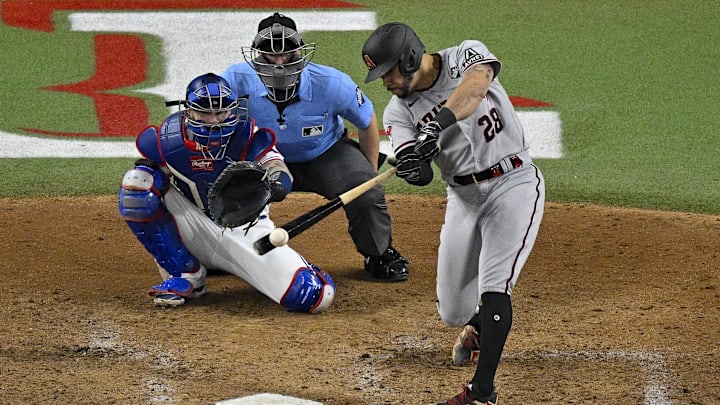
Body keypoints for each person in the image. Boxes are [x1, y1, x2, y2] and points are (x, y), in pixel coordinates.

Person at [362, 23, 545, 404]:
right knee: (453, 310)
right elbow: (422, 173)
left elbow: (476, 88)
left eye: (389, 73)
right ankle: (478, 325)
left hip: (513, 183)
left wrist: (435, 128)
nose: (386, 83)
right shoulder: (398, 112)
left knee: (496, 284)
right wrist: (414, 163)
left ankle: (482, 392)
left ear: (409, 59)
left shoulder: (464, 55)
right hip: (463, 198)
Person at [118, 72, 335, 314]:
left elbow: (277, 167)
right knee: (137, 183)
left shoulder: (248, 137)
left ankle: (298, 267)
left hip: (245, 230)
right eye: (205, 112)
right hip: (194, 226)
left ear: (233, 110)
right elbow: (148, 176)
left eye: (222, 112)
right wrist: (152, 170)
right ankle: (185, 275)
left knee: (313, 296)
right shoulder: (168, 141)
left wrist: (277, 183)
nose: (215, 120)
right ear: (188, 111)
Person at [221, 12, 409, 282]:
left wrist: (368, 177)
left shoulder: (332, 83)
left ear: (300, 52)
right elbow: (210, 116)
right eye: (269, 54)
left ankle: (378, 253)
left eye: (287, 54)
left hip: (325, 154)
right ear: (256, 55)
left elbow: (367, 120)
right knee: (219, 184)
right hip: (261, 157)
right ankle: (220, 250)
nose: (279, 62)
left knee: (365, 193)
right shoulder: (234, 80)